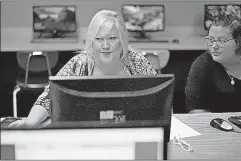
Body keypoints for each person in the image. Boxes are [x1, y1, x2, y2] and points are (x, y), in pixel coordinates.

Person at [9, 9, 156, 128]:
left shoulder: (137, 62)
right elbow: (49, 97)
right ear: (91, 41)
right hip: (87, 135)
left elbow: (158, 98)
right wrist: (30, 123)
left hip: (131, 134)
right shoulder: (79, 64)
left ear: (122, 40)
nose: (105, 45)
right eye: (99, 39)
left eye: (112, 38)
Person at [185, 14, 241, 113]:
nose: (214, 46)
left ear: (239, 41)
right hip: (218, 125)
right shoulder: (202, 65)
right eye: (211, 40)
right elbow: (195, 110)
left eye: (221, 41)